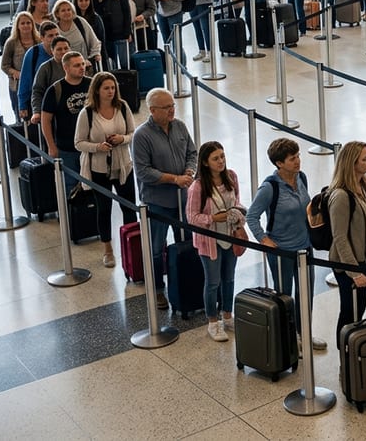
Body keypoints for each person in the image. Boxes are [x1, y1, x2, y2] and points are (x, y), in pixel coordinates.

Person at [245, 138, 324, 351]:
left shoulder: (301, 177)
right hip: (282, 251)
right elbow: (251, 216)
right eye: (292, 159)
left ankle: (304, 333)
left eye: (298, 156)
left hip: (305, 247)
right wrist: (264, 239)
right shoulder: (269, 187)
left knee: (306, 294)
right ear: (279, 163)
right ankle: (288, 340)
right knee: (284, 296)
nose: (297, 161)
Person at [132, 88, 198, 309]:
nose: (172, 110)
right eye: (166, 107)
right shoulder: (141, 136)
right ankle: (158, 289)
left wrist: (189, 171)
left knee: (186, 243)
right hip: (157, 203)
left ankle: (185, 284)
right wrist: (174, 179)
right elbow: (143, 172)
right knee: (156, 249)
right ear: (152, 110)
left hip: (183, 200)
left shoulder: (179, 126)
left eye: (172, 105)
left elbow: (192, 153)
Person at [74, 72, 137, 268]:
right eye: (106, 88)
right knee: (104, 209)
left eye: (113, 88)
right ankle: (108, 249)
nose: (111, 91)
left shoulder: (122, 107)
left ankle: (133, 247)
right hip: (99, 169)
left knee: (130, 207)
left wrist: (122, 139)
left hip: (123, 166)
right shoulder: (87, 113)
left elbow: (133, 133)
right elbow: (78, 142)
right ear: (97, 90)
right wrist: (97, 147)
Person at [187, 140, 245, 342]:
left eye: (222, 156)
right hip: (209, 241)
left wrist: (238, 214)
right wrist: (213, 218)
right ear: (205, 162)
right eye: (215, 158)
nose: (221, 161)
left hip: (230, 236)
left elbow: (237, 201)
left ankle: (227, 316)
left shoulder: (231, 177)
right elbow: (192, 217)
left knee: (229, 278)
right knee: (213, 282)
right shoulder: (197, 187)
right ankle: (213, 321)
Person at [325, 140, 366, 344]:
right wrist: (354, 272)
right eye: (365, 159)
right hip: (349, 264)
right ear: (352, 164)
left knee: (359, 312)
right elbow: (339, 237)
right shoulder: (340, 196)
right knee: (349, 313)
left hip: (365, 259)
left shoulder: (363, 186)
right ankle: (345, 352)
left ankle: (353, 351)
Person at [40, 50, 91, 193]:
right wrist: (51, 146)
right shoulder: (55, 90)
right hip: (67, 148)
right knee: (70, 186)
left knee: (94, 185)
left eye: (83, 64)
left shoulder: (92, 84)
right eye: (76, 65)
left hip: (90, 146)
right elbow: (46, 120)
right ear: (66, 68)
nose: (82, 68)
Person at [18, 22, 59, 121]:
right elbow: (25, 80)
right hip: (39, 101)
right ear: (42, 38)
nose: (55, 38)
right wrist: (22, 104)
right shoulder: (33, 54)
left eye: (57, 34)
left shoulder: (64, 51)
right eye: (50, 36)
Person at [94, 0, 132, 69]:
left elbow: (127, 15)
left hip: (121, 34)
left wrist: (127, 32)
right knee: (110, 64)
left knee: (125, 63)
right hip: (105, 37)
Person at [2, 12, 39, 111]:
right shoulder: (11, 42)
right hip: (17, 85)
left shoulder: (39, 40)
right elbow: (4, 65)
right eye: (22, 23)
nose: (26, 25)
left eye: (28, 23)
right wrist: (15, 73)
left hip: (38, 83)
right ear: (17, 26)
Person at [52, 0, 101, 71]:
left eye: (69, 10)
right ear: (57, 14)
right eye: (63, 10)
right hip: (64, 68)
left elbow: (94, 42)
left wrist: (94, 55)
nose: (67, 12)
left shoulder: (80, 22)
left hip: (84, 66)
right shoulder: (54, 28)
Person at [71, 0, 106, 65]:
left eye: (86, 0)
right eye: (81, 0)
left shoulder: (96, 18)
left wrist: (99, 53)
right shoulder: (73, 19)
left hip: (95, 55)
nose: (84, 3)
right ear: (76, 2)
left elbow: (101, 38)